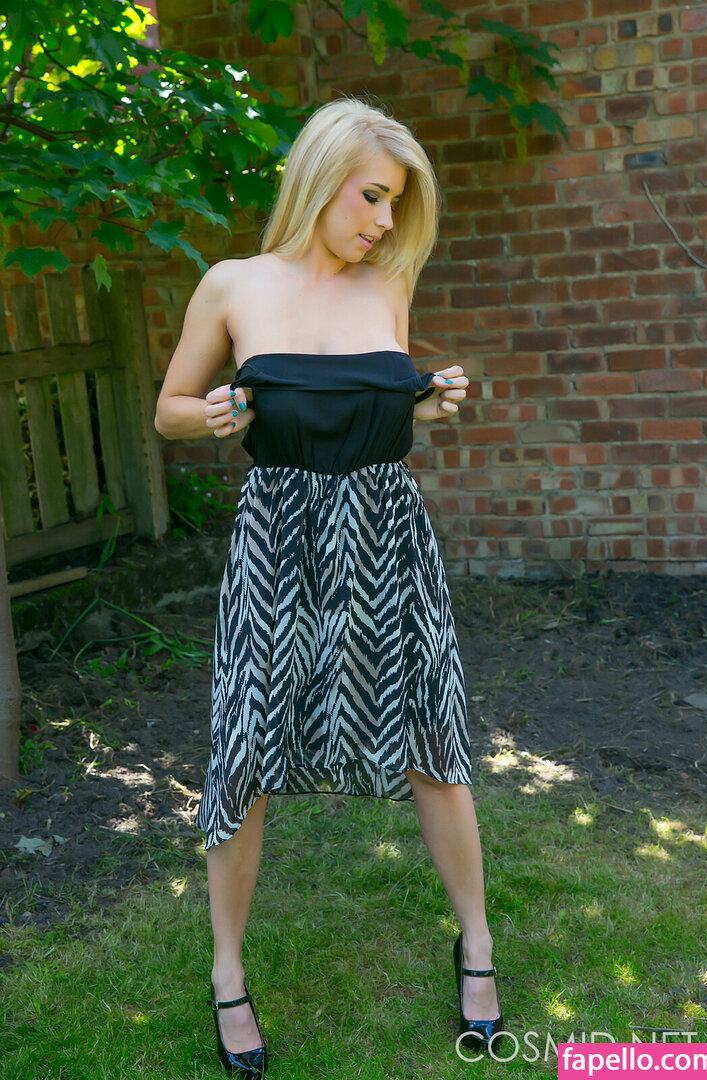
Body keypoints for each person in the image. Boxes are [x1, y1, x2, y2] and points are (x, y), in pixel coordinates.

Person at [155, 94, 504, 1077]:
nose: (386, 222)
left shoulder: (387, 287)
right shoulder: (233, 285)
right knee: (245, 749)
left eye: (396, 203)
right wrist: (209, 413)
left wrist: (424, 404)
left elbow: (366, 404)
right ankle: (228, 970)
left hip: (389, 539)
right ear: (320, 180)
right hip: (278, 544)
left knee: (433, 736)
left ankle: (478, 944)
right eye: (373, 197)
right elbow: (169, 408)